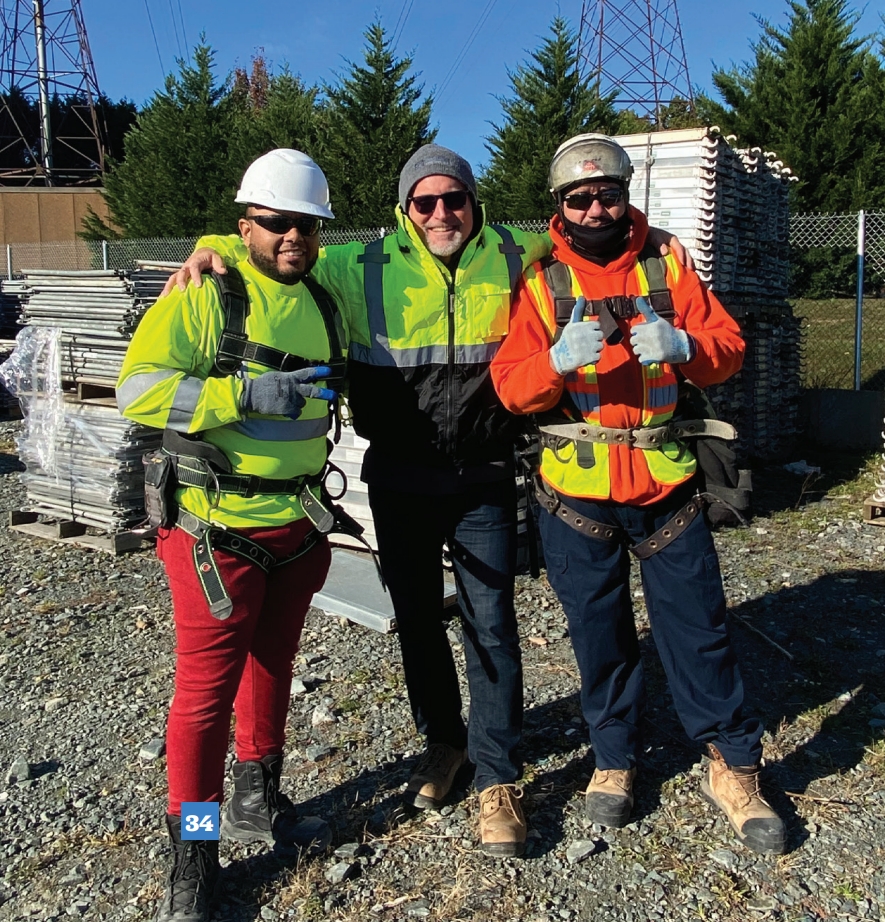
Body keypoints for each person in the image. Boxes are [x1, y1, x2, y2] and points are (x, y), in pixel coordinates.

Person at [166, 143, 690, 859]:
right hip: (376, 486)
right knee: (410, 625)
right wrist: (211, 245)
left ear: (474, 205)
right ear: (404, 209)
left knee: (490, 623)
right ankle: (206, 845)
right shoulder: (358, 267)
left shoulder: (512, 252)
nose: (441, 213)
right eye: (425, 202)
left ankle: (496, 774)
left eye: (455, 200)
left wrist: (650, 232)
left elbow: (589, 234)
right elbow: (277, 244)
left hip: (477, 477)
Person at [491, 133, 786, 856]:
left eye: (607, 194)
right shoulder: (539, 280)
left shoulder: (668, 260)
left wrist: (686, 346)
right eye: (578, 198)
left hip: (665, 481)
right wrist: (554, 364)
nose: (595, 208)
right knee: (599, 636)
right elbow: (509, 385)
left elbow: (728, 350)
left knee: (698, 628)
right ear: (558, 206)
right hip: (575, 491)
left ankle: (731, 764)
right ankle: (613, 759)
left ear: (626, 194)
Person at [117, 149, 348, 922]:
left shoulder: (321, 295)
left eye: (306, 226)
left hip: (299, 529)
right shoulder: (206, 292)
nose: (293, 238)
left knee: (273, 666)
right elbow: (137, 391)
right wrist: (241, 391)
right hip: (215, 535)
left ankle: (258, 799)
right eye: (276, 224)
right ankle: (196, 856)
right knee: (204, 699)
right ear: (245, 223)